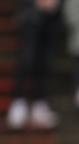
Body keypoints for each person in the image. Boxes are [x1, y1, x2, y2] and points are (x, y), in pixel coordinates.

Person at [6, 0, 62, 130]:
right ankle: (18, 102)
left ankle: (40, 103)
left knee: (45, 63)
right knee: (27, 60)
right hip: (30, 16)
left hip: (51, 19)